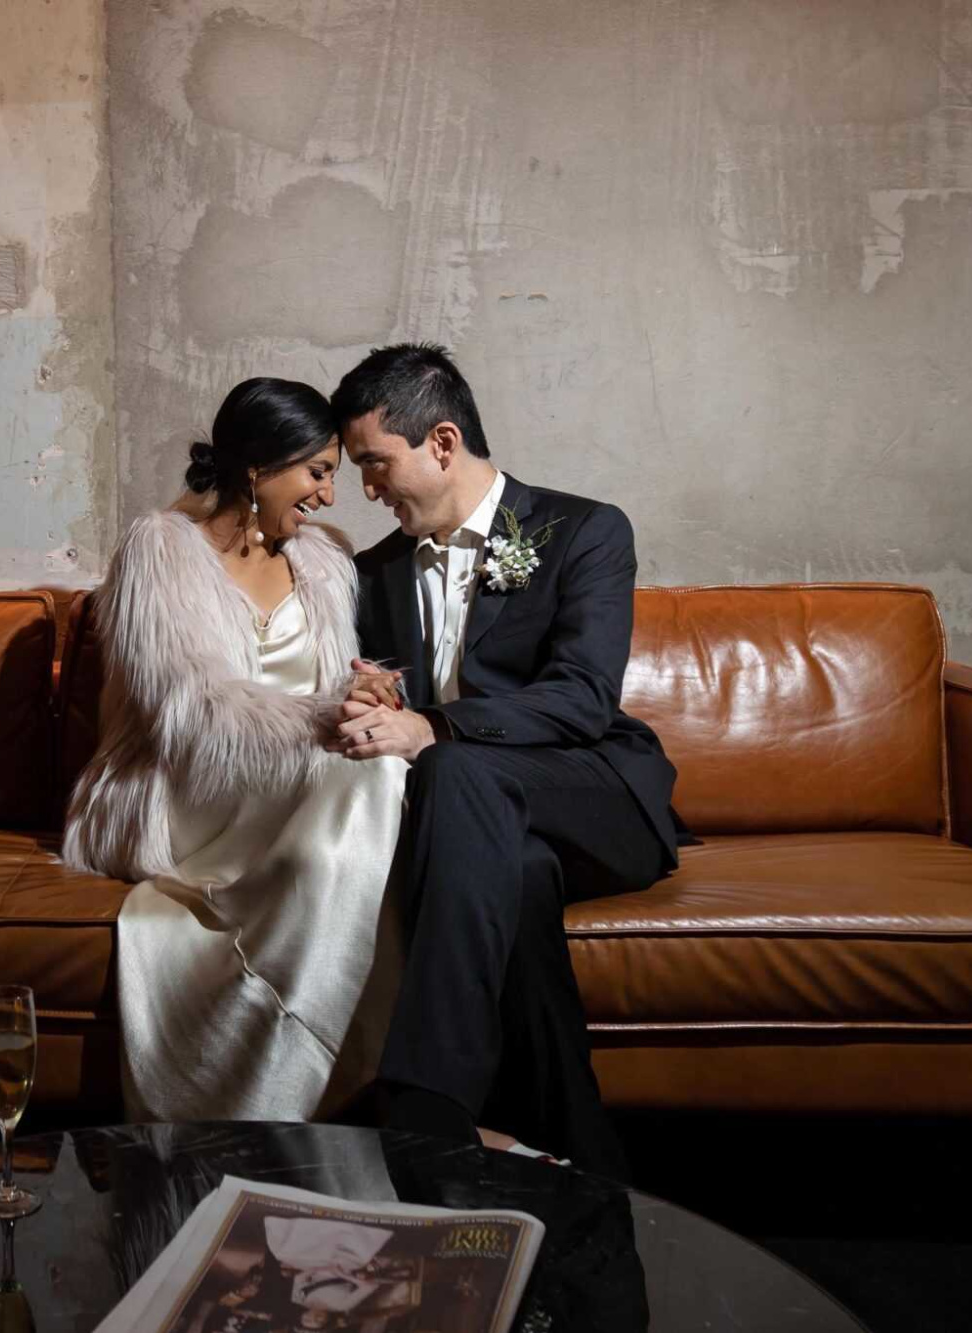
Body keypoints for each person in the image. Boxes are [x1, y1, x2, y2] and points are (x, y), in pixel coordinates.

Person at [327, 343, 685, 1176]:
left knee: (455, 768)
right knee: (514, 872)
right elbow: (382, 695)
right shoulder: (371, 574)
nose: (367, 491)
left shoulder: (586, 530)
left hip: (594, 795)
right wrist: (371, 706)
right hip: (477, 827)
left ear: (442, 443)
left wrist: (434, 729)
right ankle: (580, 1148)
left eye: (376, 466)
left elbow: (584, 697)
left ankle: (422, 1102)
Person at [61, 378, 409, 1122]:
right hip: (179, 788)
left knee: (379, 760)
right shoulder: (159, 549)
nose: (326, 496)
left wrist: (367, 694)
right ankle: (301, 1088)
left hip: (286, 782)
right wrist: (323, 718)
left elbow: (330, 689)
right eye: (316, 472)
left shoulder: (323, 562)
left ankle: (303, 1065)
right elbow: (189, 709)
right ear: (258, 467)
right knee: (369, 770)